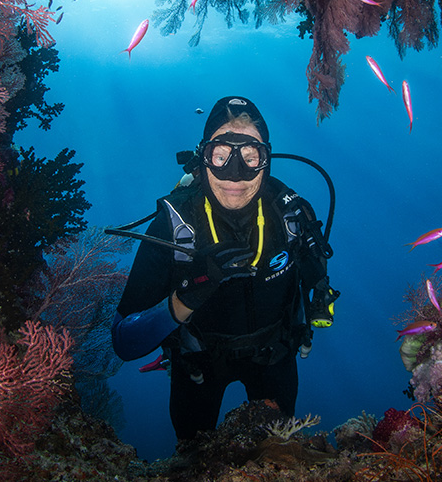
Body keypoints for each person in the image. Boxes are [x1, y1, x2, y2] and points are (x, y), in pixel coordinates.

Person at [111, 96, 337, 441]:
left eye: (250, 157)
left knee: (277, 454)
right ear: (202, 158)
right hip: (197, 364)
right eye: (220, 156)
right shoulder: (174, 227)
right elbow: (124, 342)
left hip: (274, 357)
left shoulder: (290, 216)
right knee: (195, 457)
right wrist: (188, 295)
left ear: (267, 159)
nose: (235, 174)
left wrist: (319, 303)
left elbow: (317, 284)